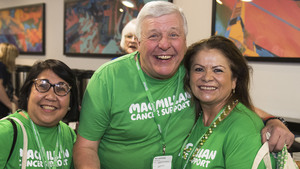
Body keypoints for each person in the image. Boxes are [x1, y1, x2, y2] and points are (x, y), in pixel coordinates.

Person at [73, 1, 294, 169]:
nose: (164, 44)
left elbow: (223, 99)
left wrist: (272, 120)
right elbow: (85, 147)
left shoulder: (189, 68)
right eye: (154, 36)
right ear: (138, 43)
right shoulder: (107, 78)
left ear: (185, 40)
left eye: (173, 34)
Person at [176, 35, 277, 168]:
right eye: (199, 69)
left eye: (218, 70)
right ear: (189, 76)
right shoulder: (190, 116)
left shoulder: (244, 128)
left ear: (234, 80)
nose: (207, 77)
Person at [0, 59, 79, 168]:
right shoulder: (5, 132)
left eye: (61, 88)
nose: (51, 97)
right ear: (28, 92)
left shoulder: (69, 136)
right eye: (42, 85)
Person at [0, 43, 19, 118]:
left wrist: (14, 99)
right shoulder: (1, 66)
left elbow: (6, 88)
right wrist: (10, 105)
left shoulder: (4, 67)